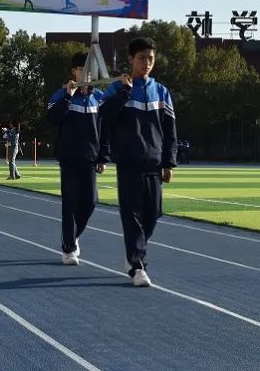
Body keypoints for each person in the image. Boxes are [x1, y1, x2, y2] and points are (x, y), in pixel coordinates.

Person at [102, 37, 177, 288]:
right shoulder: (117, 88)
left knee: (153, 214)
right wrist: (124, 92)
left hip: (154, 164)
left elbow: (170, 130)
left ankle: (134, 250)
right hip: (128, 162)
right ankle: (137, 265)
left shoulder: (161, 92)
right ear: (131, 59)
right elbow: (104, 117)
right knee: (131, 214)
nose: (147, 63)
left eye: (150, 58)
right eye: (142, 58)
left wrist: (169, 162)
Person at [47, 52, 111, 266]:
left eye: (90, 70)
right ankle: (68, 248)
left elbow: (105, 130)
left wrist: (103, 157)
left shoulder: (99, 98)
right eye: (82, 69)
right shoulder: (60, 95)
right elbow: (53, 119)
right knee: (69, 204)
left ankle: (73, 236)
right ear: (74, 71)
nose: (86, 74)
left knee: (90, 202)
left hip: (90, 159)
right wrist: (68, 96)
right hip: (68, 158)